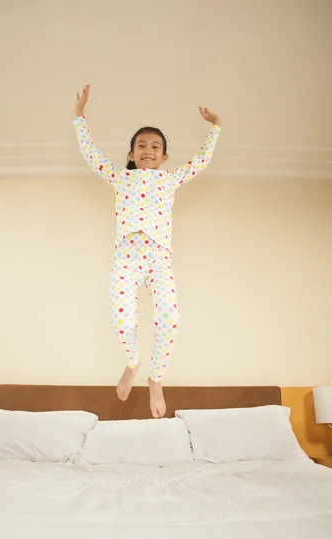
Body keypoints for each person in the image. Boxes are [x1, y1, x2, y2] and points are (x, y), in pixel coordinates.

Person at [73, 84, 221, 418]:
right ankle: (132, 363)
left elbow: (201, 161)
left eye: (155, 146)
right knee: (122, 319)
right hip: (126, 254)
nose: (148, 150)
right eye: (141, 146)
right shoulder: (119, 177)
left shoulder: (170, 179)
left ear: (165, 156)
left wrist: (216, 127)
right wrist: (79, 116)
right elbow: (91, 153)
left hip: (158, 257)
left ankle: (156, 378)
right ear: (131, 155)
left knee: (170, 320)